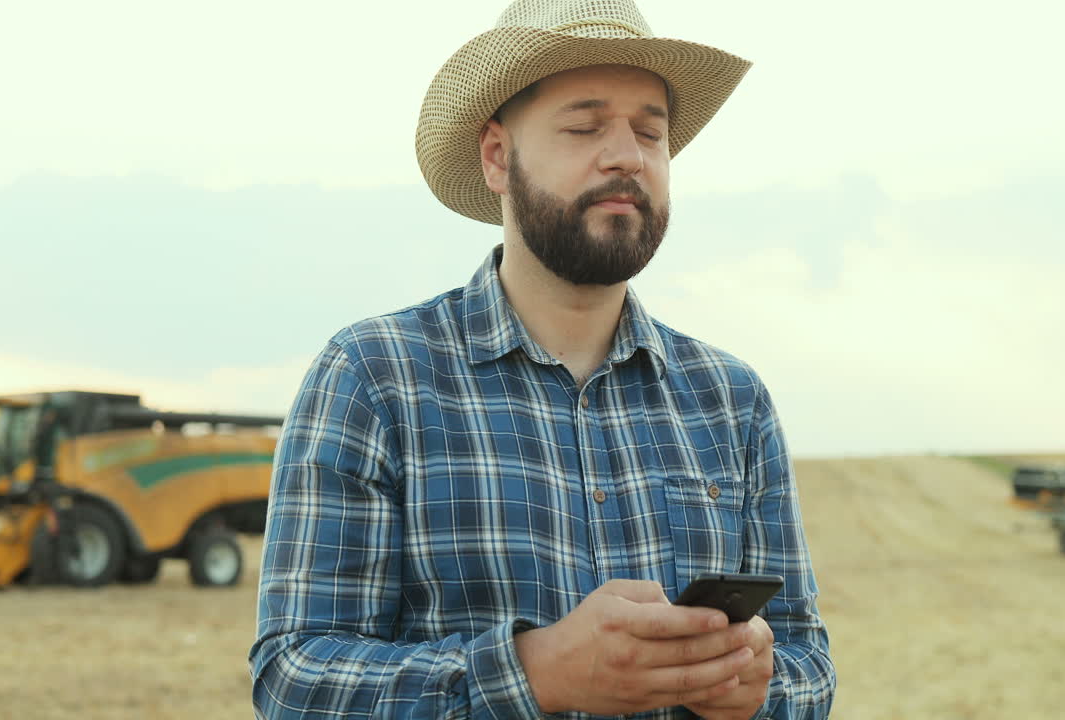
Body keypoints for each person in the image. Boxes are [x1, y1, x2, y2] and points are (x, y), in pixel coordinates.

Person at [249, 1, 835, 718]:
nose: (629, 156)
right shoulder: (375, 377)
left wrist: (761, 687)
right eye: (585, 127)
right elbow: (294, 676)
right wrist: (532, 673)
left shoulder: (732, 400)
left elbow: (807, 659)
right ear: (497, 156)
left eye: (651, 132)